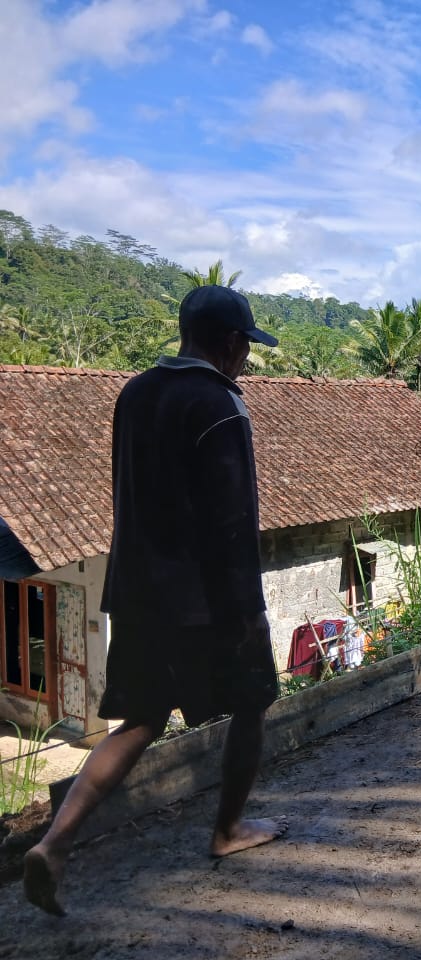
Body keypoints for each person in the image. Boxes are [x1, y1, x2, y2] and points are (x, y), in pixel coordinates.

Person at [24, 285, 287, 916]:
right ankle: (228, 831)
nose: (246, 360)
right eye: (246, 347)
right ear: (230, 343)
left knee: (140, 721)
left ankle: (54, 844)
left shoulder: (135, 393)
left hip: (137, 593)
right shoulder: (221, 404)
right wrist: (248, 611)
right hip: (203, 600)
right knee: (253, 701)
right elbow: (233, 519)